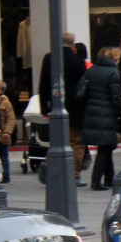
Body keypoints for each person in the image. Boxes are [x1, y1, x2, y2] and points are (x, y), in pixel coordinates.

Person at [38, 31, 90, 185]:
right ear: (73, 44)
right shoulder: (78, 61)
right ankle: (74, 175)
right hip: (75, 107)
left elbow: (43, 84)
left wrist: (44, 107)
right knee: (76, 142)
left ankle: (48, 164)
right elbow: (83, 87)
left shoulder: (49, 58)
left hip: (55, 104)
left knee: (58, 140)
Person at [79, 46, 121, 191]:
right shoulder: (113, 72)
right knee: (104, 148)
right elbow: (115, 97)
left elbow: (81, 91)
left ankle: (109, 179)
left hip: (92, 111)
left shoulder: (91, 70)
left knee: (106, 146)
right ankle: (96, 181)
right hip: (107, 113)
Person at [0, 79, 15, 183]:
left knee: (4, 157)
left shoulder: (5, 103)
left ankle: (6, 176)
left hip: (3, 134)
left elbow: (11, 118)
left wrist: (7, 132)